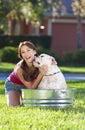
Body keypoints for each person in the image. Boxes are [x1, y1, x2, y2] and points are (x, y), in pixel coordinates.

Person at [4, 41, 47, 107]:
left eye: (28, 50)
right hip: (14, 85)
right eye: (23, 52)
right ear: (21, 55)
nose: (26, 54)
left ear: (34, 51)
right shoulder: (20, 69)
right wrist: (41, 74)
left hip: (30, 85)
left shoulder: (41, 62)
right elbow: (31, 88)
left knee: (34, 106)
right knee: (14, 107)